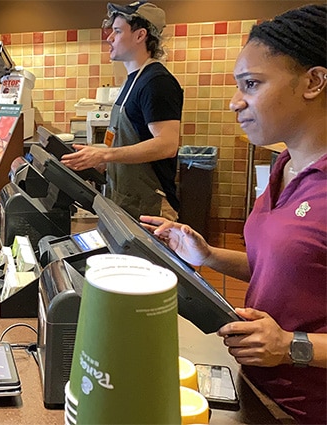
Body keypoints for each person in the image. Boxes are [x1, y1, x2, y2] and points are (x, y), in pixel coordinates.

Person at [141, 5, 326, 423]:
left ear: (313, 81)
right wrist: (207, 256)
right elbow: (288, 270)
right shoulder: (284, 167)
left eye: (252, 84)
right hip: (256, 390)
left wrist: (292, 345)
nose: (235, 102)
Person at [61, 1, 182, 220]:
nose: (109, 37)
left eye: (117, 31)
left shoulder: (157, 82)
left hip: (151, 207)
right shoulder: (133, 81)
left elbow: (167, 145)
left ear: (140, 35)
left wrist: (105, 154)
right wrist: (102, 162)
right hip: (126, 201)